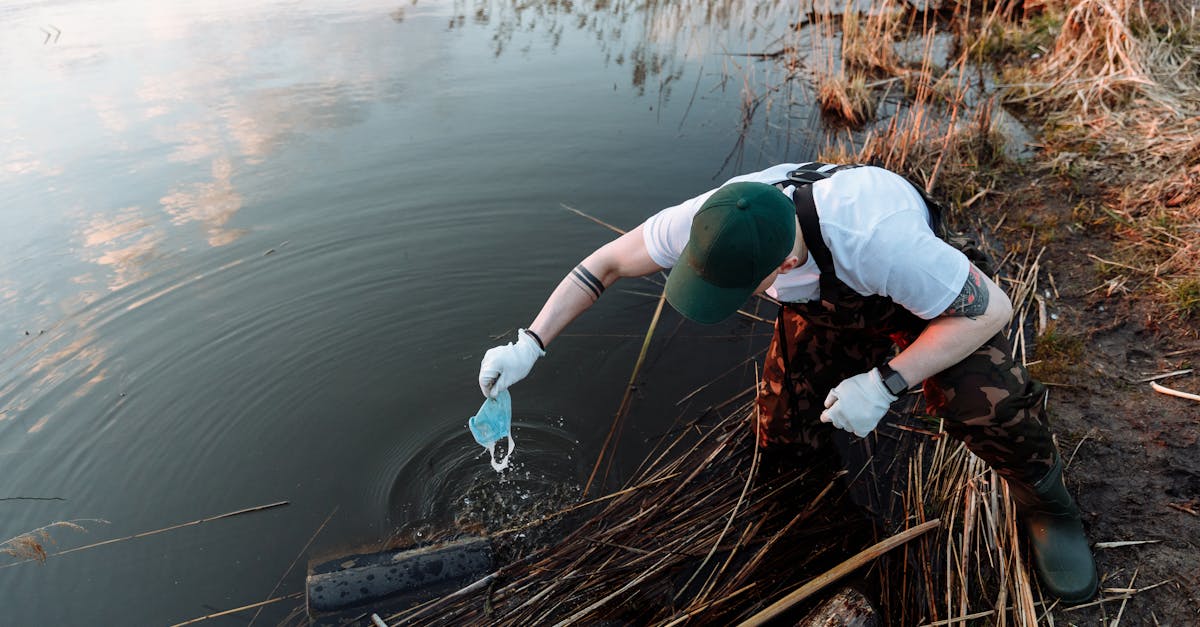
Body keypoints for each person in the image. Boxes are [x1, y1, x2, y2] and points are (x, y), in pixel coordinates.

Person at [477, 162, 1098, 603]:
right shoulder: (714, 217)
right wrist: (530, 343)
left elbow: (990, 308)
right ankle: (814, 517)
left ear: (786, 264)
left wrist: (886, 382)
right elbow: (606, 263)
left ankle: (1049, 504)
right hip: (824, 304)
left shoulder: (881, 241)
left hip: (914, 305)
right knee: (778, 431)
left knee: (982, 401)